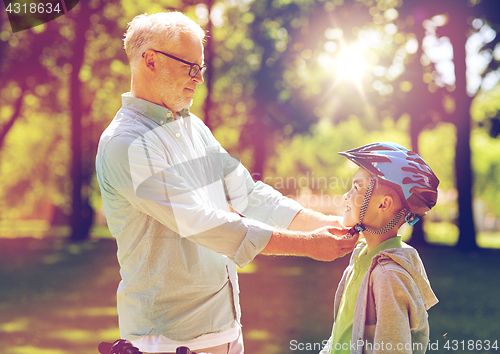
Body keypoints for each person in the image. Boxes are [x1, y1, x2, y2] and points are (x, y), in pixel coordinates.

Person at [95, 11, 358, 354]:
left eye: (200, 67)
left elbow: (248, 194)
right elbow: (200, 223)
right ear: (150, 61)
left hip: (225, 329)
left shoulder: (192, 128)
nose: (198, 78)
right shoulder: (127, 144)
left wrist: (332, 225)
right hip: (169, 339)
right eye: (190, 66)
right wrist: (308, 244)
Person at [319, 142, 440, 354]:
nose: (346, 196)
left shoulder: (388, 276)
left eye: (356, 187)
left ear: (383, 205)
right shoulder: (362, 257)